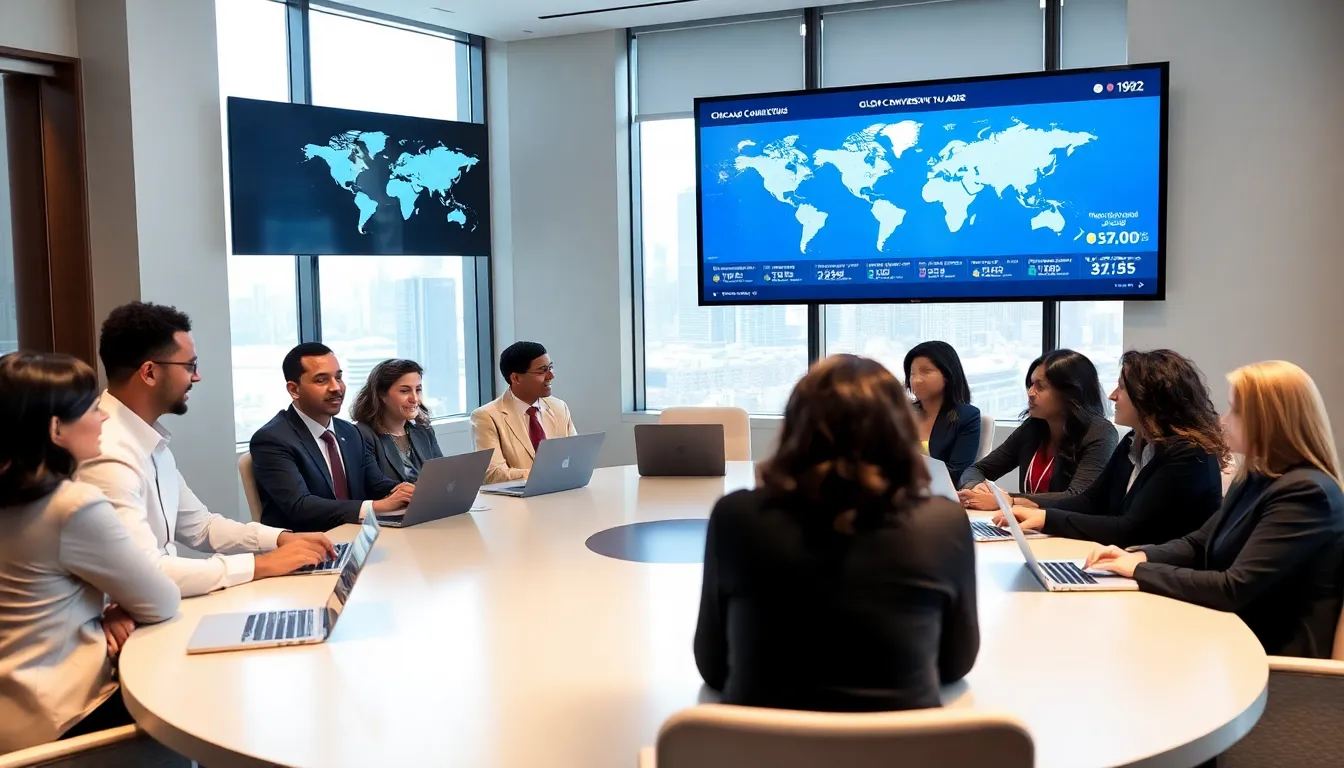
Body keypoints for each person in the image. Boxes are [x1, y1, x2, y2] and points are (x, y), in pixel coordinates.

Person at [694, 354, 978, 712]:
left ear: (796, 427)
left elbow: (714, 668)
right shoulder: (943, 523)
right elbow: (955, 666)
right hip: (902, 748)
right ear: (899, 429)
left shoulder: (736, 516)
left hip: (761, 751)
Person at [1087, 361, 1344, 658]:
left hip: (1275, 667)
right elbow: (1199, 542)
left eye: (1235, 411)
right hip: (1230, 640)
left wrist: (1139, 570)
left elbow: (1233, 588)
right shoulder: (1257, 476)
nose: (1223, 421)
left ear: (1267, 419)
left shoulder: (1306, 493)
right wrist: (1137, 555)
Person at [77, 302, 335, 598]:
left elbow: (201, 527)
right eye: (190, 366)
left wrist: (281, 539)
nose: (196, 377)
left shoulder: (149, 440)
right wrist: (260, 565)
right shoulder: (107, 450)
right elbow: (146, 573)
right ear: (149, 372)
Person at [0, 352, 180, 752]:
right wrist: (113, 607)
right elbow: (162, 599)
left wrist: (102, 606)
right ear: (56, 429)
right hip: (63, 720)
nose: (103, 418)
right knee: (194, 696)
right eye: (92, 408)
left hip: (12, 718)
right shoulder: (71, 505)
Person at [993, 350, 1227, 547]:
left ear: (1149, 397)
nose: (1113, 396)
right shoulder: (1134, 442)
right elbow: (1090, 501)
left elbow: (1129, 529)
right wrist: (1030, 510)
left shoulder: (1187, 454)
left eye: (1122, 388)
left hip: (1167, 576)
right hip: (1130, 562)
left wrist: (1045, 518)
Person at [250, 343, 414, 533]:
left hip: (357, 539)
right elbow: (300, 506)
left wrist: (410, 491)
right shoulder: (272, 439)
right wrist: (376, 507)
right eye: (321, 380)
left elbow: (376, 484)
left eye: (339, 377)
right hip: (306, 546)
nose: (336, 388)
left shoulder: (350, 432)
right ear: (294, 390)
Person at [958, 349, 1117, 509]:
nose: (1030, 393)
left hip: (1073, 531)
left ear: (1070, 392)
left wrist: (1008, 501)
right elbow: (977, 469)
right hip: (1030, 527)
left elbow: (1078, 497)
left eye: (1040, 387)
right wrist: (975, 487)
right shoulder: (1033, 427)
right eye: (1030, 384)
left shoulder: (1100, 433)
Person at [471, 341, 577, 484]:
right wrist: (545, 473)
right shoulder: (486, 417)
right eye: (542, 370)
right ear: (516, 378)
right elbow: (493, 474)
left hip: (561, 494)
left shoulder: (559, 407)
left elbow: (576, 457)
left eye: (551, 368)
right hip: (517, 502)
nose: (551, 376)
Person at [352, 359, 444, 483]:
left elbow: (443, 477)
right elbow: (374, 487)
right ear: (382, 394)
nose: (415, 398)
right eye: (405, 391)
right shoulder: (362, 435)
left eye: (418, 390)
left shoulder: (424, 431)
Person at [903, 340, 981, 481]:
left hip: (939, 496)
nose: (916, 380)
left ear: (948, 375)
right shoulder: (902, 412)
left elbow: (957, 473)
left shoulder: (968, 416)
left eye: (926, 371)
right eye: (912, 373)